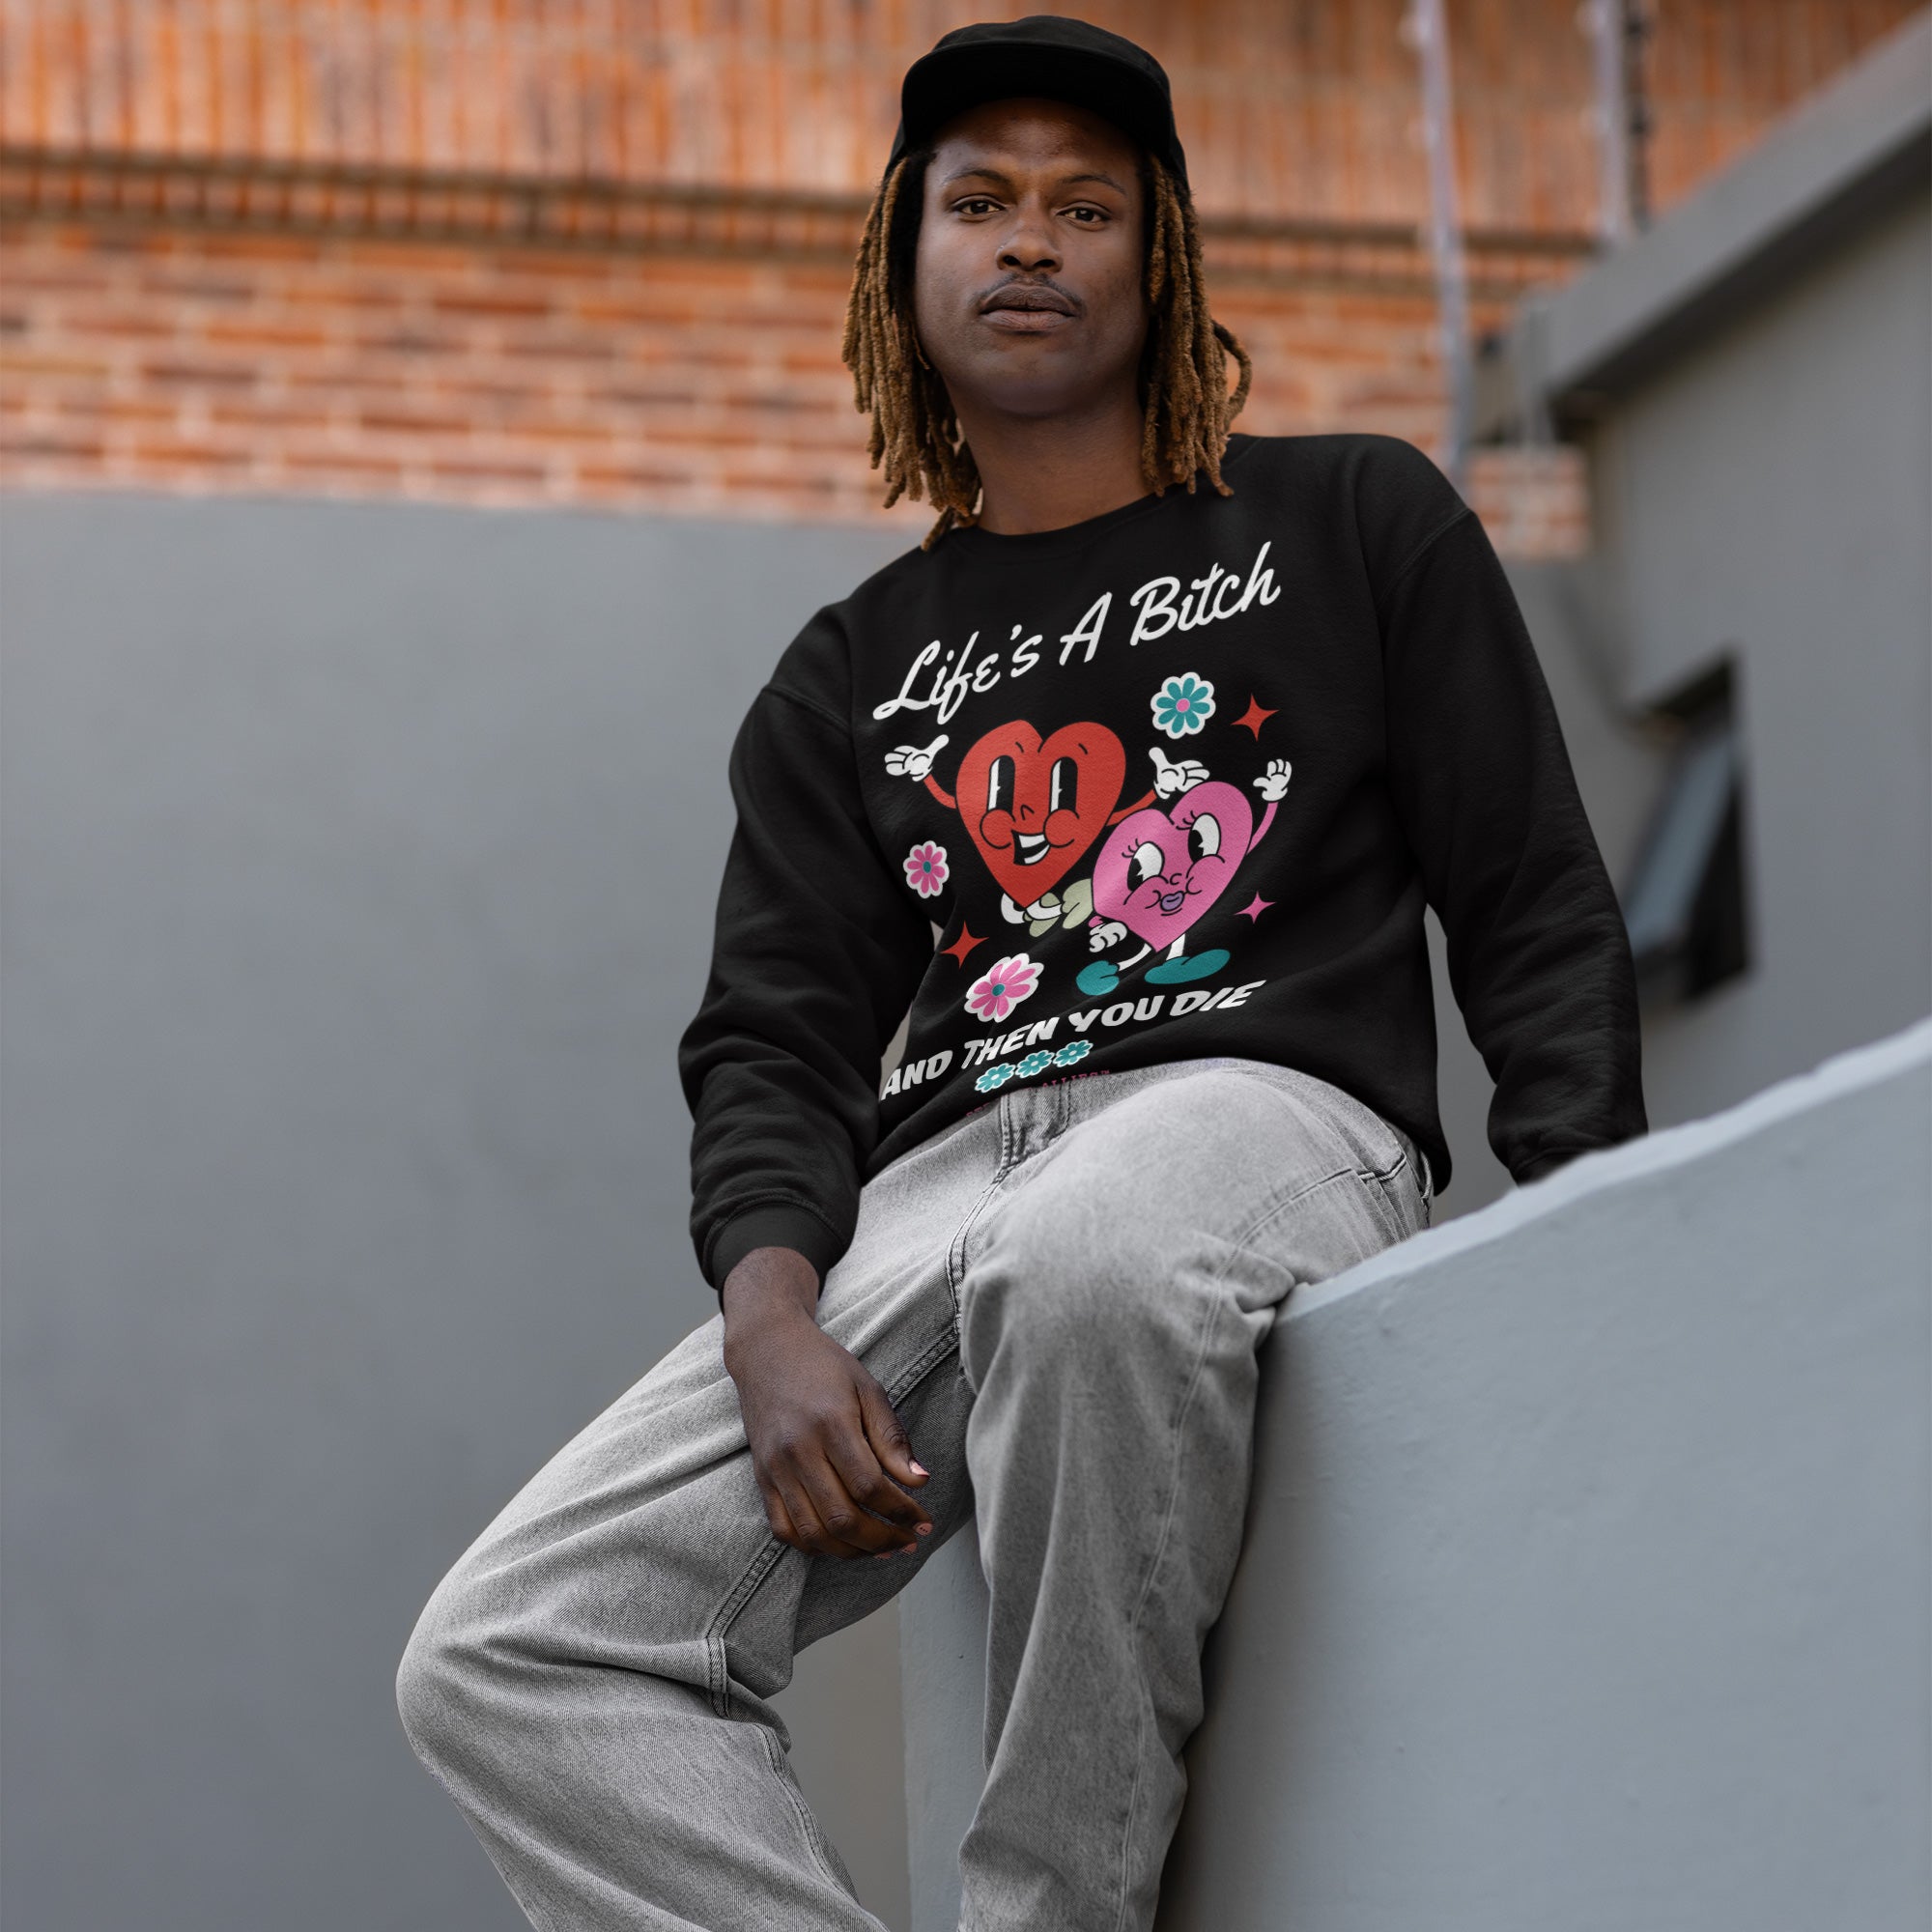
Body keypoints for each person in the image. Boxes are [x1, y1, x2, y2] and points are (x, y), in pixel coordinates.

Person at [395, 17, 1646, 1930]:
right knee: (509, 1646)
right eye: (979, 202)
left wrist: (1586, 1237)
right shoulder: (849, 670)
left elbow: (1532, 894)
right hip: (941, 1182)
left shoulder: (1352, 520)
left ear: (1163, 260)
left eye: (1087, 205)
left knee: (1087, 1258)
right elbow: (774, 1040)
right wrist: (769, 1318)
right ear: (905, 264)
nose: (1032, 240)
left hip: (1261, 1115)